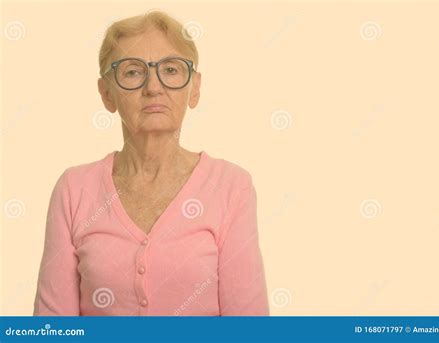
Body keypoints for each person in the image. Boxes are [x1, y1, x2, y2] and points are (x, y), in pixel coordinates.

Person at [33, 10, 269, 316]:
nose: (153, 87)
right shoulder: (74, 189)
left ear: (194, 88)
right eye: (132, 72)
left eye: (170, 70)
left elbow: (249, 326)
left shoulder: (231, 186)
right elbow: (52, 328)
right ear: (107, 94)